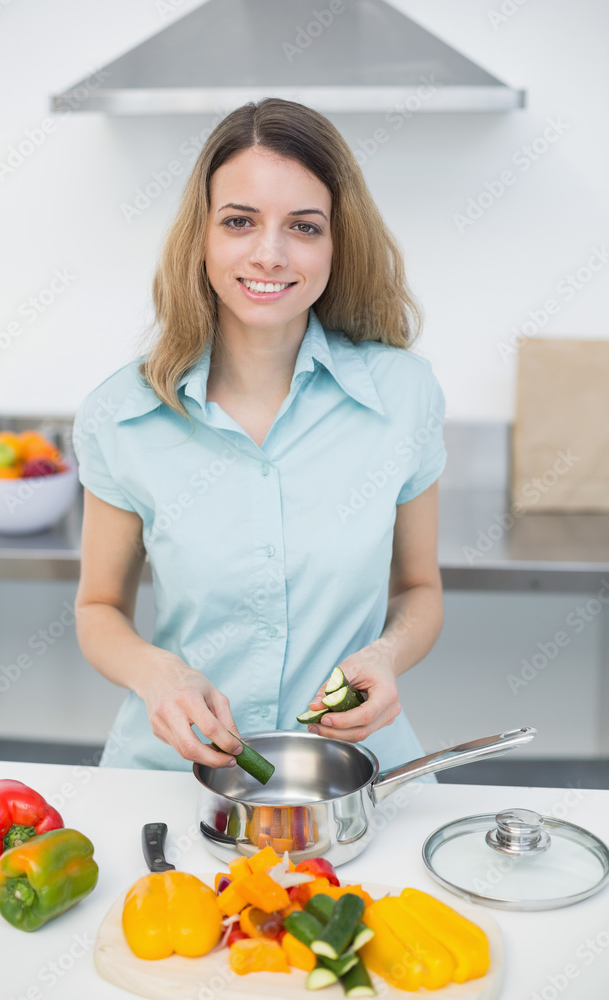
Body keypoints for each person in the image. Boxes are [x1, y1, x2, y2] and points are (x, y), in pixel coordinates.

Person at [72, 97, 447, 773]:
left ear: (337, 242)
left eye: (304, 226)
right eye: (239, 221)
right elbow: (98, 609)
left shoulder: (404, 395)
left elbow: (419, 589)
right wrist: (157, 675)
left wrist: (385, 657)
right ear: (203, 236)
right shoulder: (121, 414)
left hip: (352, 778)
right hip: (173, 779)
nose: (268, 255)